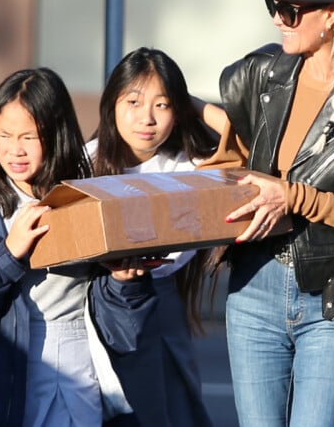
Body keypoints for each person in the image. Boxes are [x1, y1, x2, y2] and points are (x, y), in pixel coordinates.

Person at [201, 0, 334, 426]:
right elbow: (222, 168)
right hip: (253, 286)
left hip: (333, 298)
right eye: (272, 4)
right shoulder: (259, 76)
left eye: (290, 7)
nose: (277, 17)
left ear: (333, 14)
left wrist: (293, 196)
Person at [0, 67, 157, 427]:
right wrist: (7, 254)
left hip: (81, 371)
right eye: (3, 135)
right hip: (1, 385)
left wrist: (125, 284)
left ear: (57, 136)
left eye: (28, 138)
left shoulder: (88, 202)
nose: (14, 150)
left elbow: (124, 335)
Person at [87, 47, 221, 427]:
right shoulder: (83, 163)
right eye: (133, 101)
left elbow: (241, 140)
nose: (146, 118)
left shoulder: (190, 167)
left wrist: (189, 102)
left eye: (162, 105)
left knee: (168, 414)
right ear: (111, 103)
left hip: (160, 307)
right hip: (91, 303)